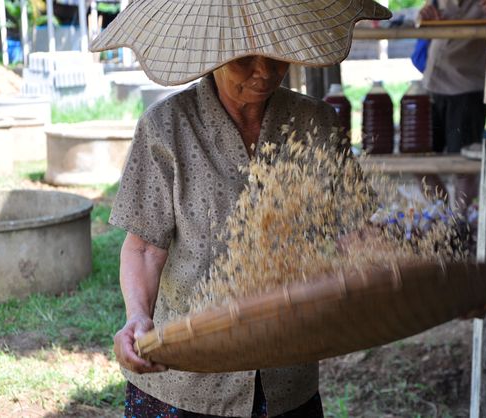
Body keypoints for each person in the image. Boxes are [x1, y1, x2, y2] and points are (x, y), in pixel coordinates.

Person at [89, 1, 391, 417]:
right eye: (244, 59)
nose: (264, 72)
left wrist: (404, 279)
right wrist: (137, 317)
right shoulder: (166, 128)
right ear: (213, 55)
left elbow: (354, 233)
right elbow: (142, 247)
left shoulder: (315, 124)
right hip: (184, 377)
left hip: (287, 372)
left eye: (276, 55)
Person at [418, 0, 486, 208]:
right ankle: (441, 217)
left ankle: (460, 225)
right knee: (416, 158)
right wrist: (424, 17)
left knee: (464, 167)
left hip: (466, 89)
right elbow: (422, 19)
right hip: (431, 86)